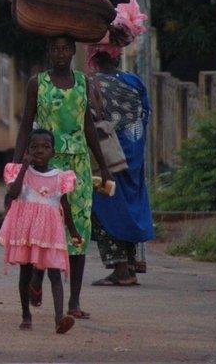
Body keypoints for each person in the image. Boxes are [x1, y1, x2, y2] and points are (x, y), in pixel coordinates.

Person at [14, 36, 112, 320]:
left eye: (65, 48)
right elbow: (25, 123)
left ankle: (74, 301)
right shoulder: (38, 83)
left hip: (77, 166)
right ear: (48, 51)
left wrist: (102, 166)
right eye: (54, 48)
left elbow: (88, 126)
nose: (60, 53)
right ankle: (35, 279)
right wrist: (16, 162)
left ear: (73, 51)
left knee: (78, 229)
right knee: (43, 228)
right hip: (44, 167)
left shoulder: (83, 82)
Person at [0, 129, 83, 334]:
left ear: (53, 152)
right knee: (26, 273)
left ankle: (59, 318)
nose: (40, 151)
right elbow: (13, 194)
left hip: (50, 232)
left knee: (55, 273)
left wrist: (73, 231)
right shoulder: (21, 173)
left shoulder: (60, 177)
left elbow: (66, 206)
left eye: (45, 147)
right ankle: (26, 314)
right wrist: (24, 167)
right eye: (34, 147)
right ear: (28, 150)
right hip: (26, 232)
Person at [87, 49, 153, 286]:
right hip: (134, 154)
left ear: (92, 60)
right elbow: (145, 113)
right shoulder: (134, 81)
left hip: (108, 157)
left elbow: (90, 119)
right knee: (131, 207)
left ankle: (121, 268)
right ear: (116, 57)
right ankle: (133, 264)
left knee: (107, 208)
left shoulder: (92, 84)